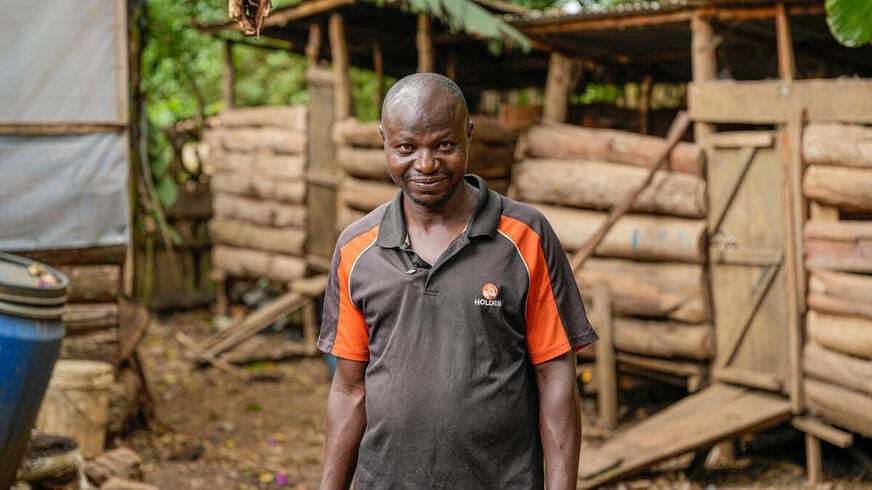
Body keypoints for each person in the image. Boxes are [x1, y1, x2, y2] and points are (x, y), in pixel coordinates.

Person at [318, 73, 597, 489]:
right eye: (406, 148)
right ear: (384, 140)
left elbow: (556, 375)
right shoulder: (358, 249)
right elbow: (349, 389)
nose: (426, 164)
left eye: (444, 145)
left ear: (468, 134)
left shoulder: (525, 236)